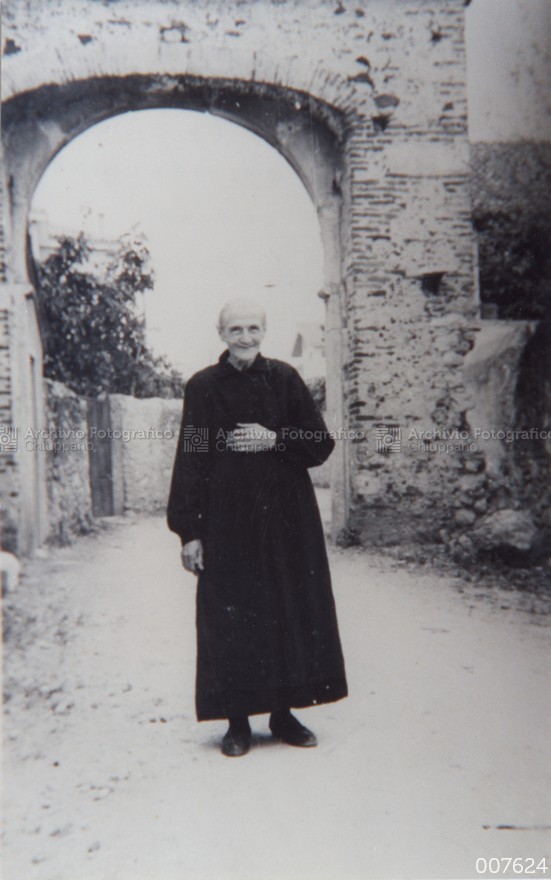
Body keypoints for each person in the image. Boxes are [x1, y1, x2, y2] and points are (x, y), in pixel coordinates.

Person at [167, 299, 347, 757]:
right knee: (232, 615)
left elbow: (320, 444)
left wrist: (275, 438)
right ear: (221, 333)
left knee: (288, 610)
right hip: (228, 523)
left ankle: (284, 715)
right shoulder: (203, 387)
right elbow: (191, 460)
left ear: (264, 331)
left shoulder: (285, 379)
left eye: (252, 328)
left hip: (288, 521)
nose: (244, 337)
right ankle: (237, 723)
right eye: (235, 329)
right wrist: (189, 532)